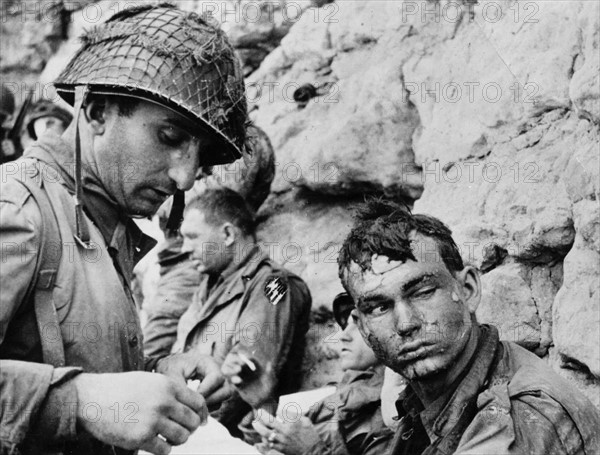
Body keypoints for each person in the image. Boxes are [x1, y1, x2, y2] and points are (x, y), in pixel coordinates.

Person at [0, 4, 248, 455]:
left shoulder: (97, 220)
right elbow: (83, 396)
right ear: (97, 112)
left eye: (201, 155)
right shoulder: (19, 207)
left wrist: (155, 372)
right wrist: (78, 401)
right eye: (170, 138)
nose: (186, 178)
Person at [336, 199, 600, 454]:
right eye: (380, 308)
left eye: (423, 292)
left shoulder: (520, 416)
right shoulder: (431, 397)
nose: (406, 324)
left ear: (468, 289)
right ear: (362, 328)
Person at [173, 188, 312, 436]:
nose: (184, 248)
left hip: (228, 439)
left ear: (227, 234)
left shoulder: (272, 285)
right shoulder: (210, 286)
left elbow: (244, 383)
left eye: (192, 237)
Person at [143, 123, 276, 360]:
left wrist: (164, 197)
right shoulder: (211, 135)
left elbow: (223, 199)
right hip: (180, 251)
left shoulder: (244, 140)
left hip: (201, 250)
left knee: (157, 338)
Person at [251, 292, 395, 455]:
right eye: (346, 325)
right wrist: (261, 403)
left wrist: (310, 450)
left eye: (357, 323)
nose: (342, 336)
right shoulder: (350, 388)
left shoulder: (394, 408)